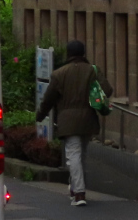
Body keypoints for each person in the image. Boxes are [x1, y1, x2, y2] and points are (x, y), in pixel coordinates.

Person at [36, 39, 113, 206]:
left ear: (68, 54)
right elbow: (107, 90)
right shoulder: (92, 70)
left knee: (73, 156)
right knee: (81, 156)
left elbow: (48, 98)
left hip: (68, 121)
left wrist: (40, 115)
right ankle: (75, 187)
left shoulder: (59, 74)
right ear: (83, 53)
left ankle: (79, 193)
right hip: (88, 120)